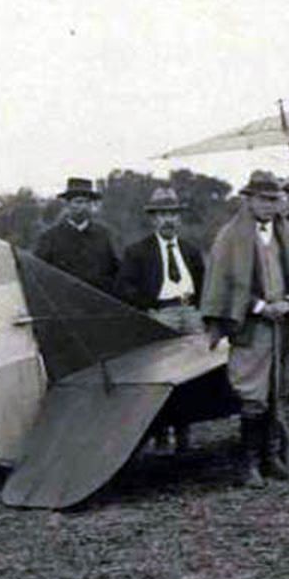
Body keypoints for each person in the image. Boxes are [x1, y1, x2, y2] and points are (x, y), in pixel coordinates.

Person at [202, 170, 289, 487]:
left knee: (280, 390)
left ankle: (272, 456)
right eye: (262, 199)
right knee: (253, 395)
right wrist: (261, 307)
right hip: (252, 327)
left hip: (284, 325)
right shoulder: (230, 236)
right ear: (248, 200)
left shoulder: (285, 234)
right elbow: (224, 284)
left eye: (274, 199)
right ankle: (249, 464)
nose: (268, 206)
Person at [115, 187, 206, 453]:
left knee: (191, 376)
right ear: (153, 219)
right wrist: (149, 308)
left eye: (173, 214)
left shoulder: (190, 250)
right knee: (161, 377)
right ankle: (161, 433)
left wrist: (200, 311)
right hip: (161, 315)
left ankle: (184, 432)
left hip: (191, 314)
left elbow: (204, 282)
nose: (168, 220)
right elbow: (124, 287)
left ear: (179, 218)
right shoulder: (138, 251)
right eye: (162, 214)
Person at [34, 177, 120, 294]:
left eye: (87, 202)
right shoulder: (50, 237)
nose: (83, 207)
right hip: (63, 305)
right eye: (78, 202)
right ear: (67, 205)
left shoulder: (105, 235)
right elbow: (38, 274)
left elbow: (117, 272)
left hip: (99, 305)